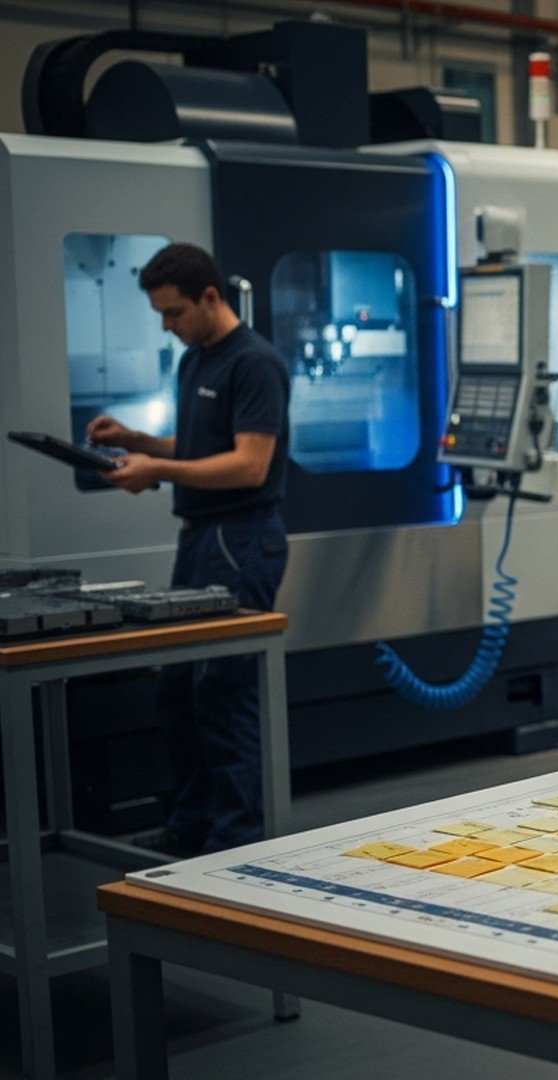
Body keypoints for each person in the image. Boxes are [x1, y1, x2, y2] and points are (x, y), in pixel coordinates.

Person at [88, 242, 291, 854]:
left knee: (222, 692)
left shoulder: (254, 363)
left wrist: (157, 470)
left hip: (240, 540)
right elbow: (202, 443)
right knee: (177, 687)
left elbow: (250, 464)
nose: (167, 326)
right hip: (200, 539)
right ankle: (192, 827)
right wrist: (140, 441)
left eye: (174, 313)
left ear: (210, 297)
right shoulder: (195, 361)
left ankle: (237, 842)